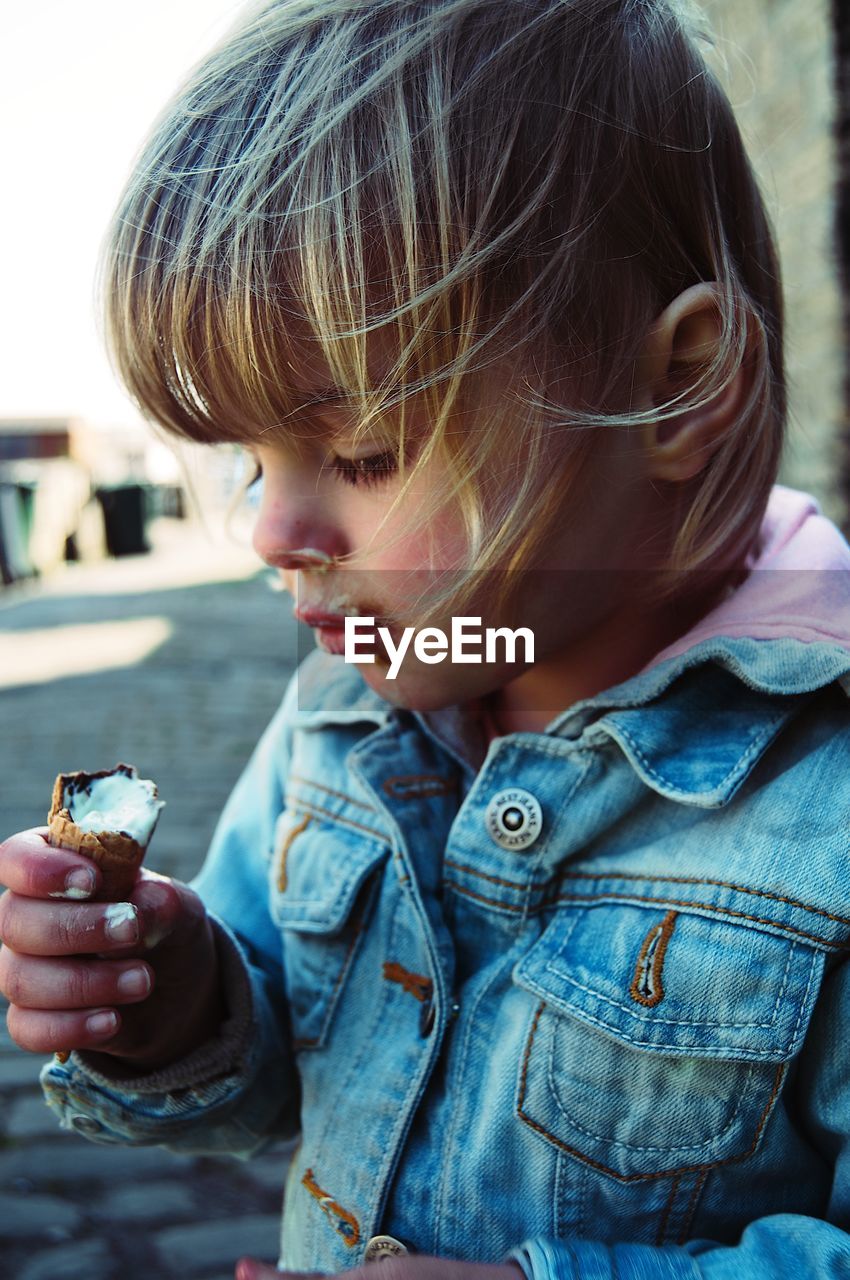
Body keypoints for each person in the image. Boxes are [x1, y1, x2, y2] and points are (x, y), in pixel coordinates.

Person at [1, 0, 850, 1276]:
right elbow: (267, 1064)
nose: (272, 528)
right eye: (249, 457)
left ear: (674, 385)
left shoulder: (822, 794)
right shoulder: (338, 715)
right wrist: (171, 1001)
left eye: (361, 451)